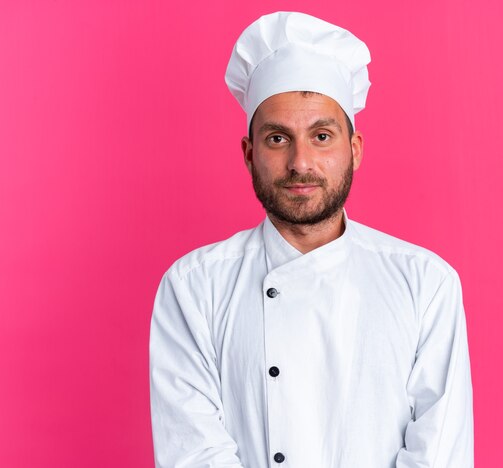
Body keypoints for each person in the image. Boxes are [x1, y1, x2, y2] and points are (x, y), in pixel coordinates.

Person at [150, 11, 473, 468]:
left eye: (322, 136)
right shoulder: (193, 287)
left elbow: (440, 455)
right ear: (249, 154)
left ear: (354, 149)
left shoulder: (425, 282)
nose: (301, 162)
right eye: (278, 138)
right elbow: (194, 454)